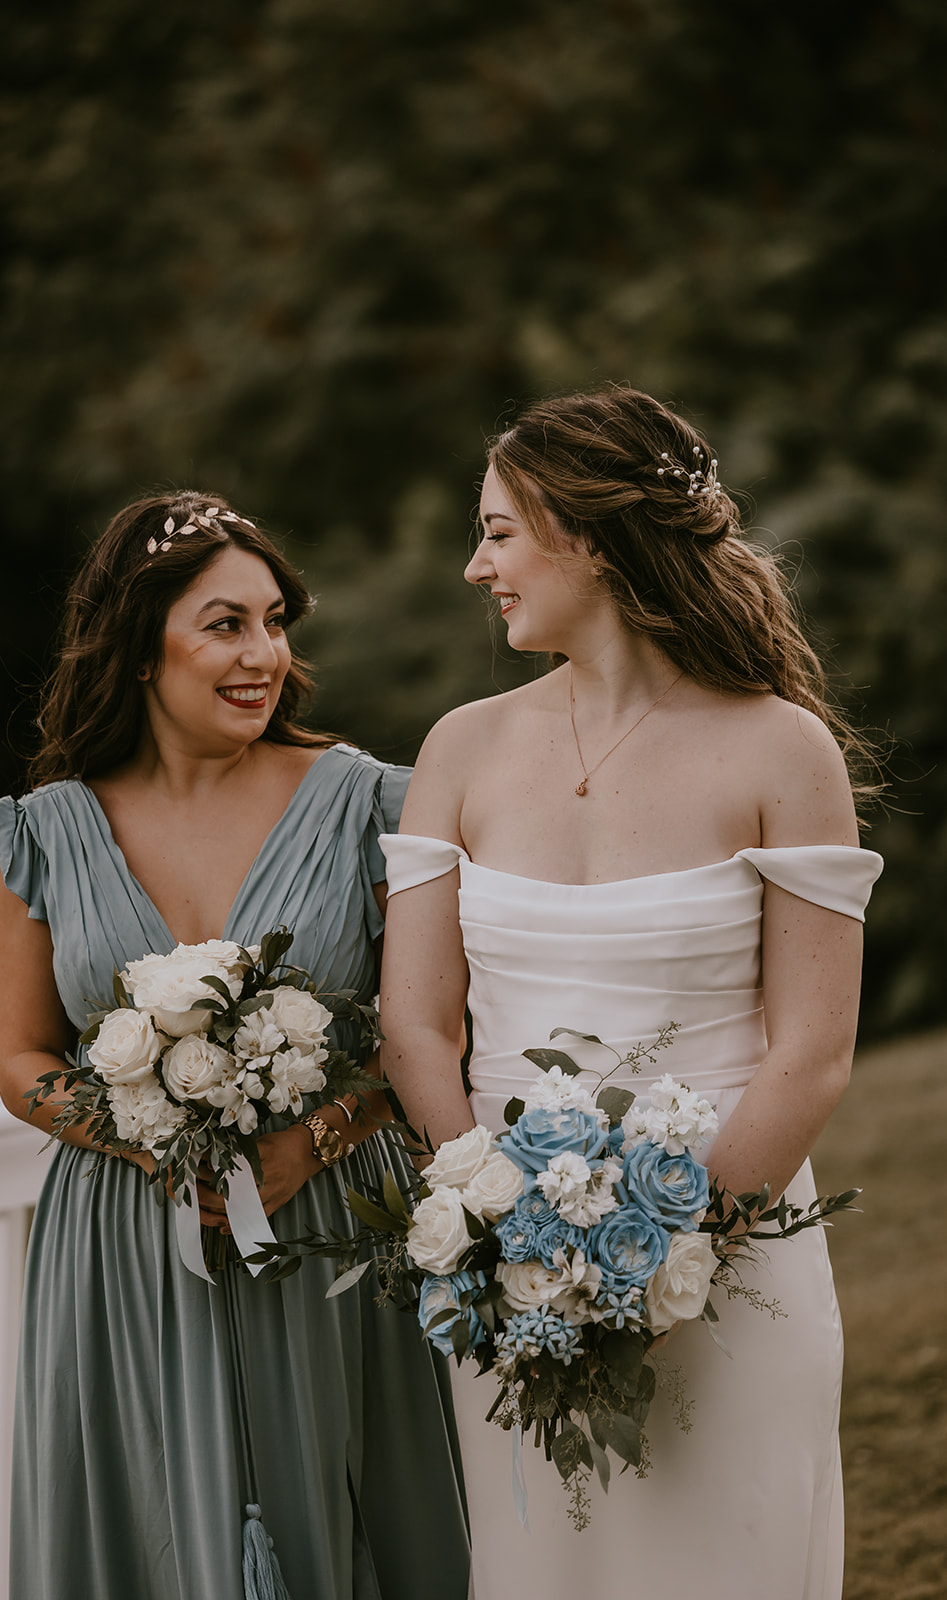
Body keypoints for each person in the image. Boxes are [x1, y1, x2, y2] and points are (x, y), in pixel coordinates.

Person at [378, 388, 882, 1600]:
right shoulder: (459, 748)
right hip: (511, 1293)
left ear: (587, 536)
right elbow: (416, 1020)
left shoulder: (778, 750)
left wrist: (666, 1263)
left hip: (737, 1258)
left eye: (497, 532)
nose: (473, 566)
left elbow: (810, 1050)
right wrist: (498, 1242)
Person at [0, 492, 469, 1600]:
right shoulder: (44, 832)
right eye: (225, 624)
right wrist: (146, 1135)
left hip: (336, 1225)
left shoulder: (369, 806)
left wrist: (315, 1139)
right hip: (124, 1240)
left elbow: (437, 1031)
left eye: (275, 619)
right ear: (140, 644)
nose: (264, 654)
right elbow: (20, 1058)